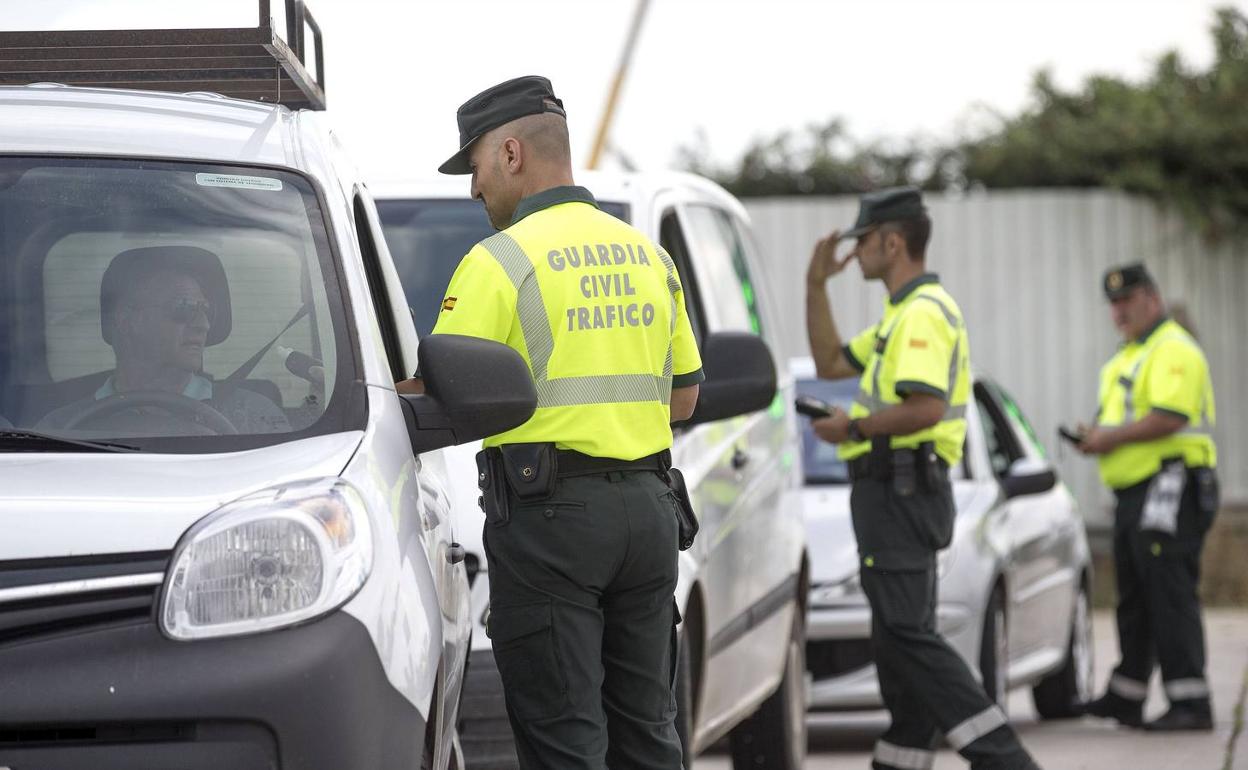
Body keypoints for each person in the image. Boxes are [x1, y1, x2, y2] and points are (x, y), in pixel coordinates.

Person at [426, 75, 702, 769]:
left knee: (564, 739)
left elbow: (439, 395)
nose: (474, 189)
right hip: (649, 514)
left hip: (552, 526)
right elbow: (685, 398)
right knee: (648, 734)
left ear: (511, 154)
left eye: (477, 167)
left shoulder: (499, 261)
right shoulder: (649, 256)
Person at [806, 187, 1040, 770]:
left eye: (864, 242)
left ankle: (1005, 758)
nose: (855, 252)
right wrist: (816, 286)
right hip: (896, 492)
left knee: (908, 637)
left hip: (902, 489)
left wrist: (853, 429)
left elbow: (924, 408)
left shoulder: (922, 316)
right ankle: (901, 760)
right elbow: (831, 362)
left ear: (893, 241)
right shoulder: (900, 315)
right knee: (896, 642)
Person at [1077, 263, 1218, 732]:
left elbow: (1169, 416)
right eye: (1113, 304)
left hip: (1169, 487)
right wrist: (1097, 437)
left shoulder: (1172, 348)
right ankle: (1128, 694)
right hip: (1136, 491)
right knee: (1134, 597)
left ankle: (1190, 701)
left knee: (1169, 594)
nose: (1118, 311)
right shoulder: (1129, 355)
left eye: (1127, 301)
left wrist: (1107, 439)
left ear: (1152, 299)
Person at [39, 246, 288, 435]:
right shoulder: (61, 428)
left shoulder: (253, 417)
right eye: (184, 307)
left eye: (206, 310)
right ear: (128, 321)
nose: (203, 325)